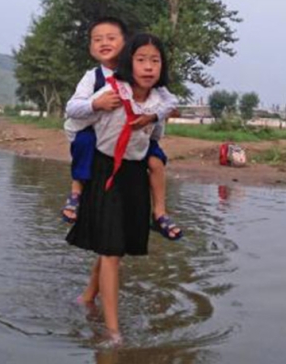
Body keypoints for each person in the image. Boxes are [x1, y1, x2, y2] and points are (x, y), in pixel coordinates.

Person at [64, 33, 179, 344]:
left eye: (155, 61)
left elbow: (167, 116)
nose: (148, 66)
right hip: (105, 171)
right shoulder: (113, 89)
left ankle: (88, 296)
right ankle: (113, 332)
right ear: (129, 62)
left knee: (113, 246)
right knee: (112, 250)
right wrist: (95, 104)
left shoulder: (159, 100)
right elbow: (74, 112)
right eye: (141, 59)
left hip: (134, 173)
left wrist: (153, 116)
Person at [61, 17, 181, 240]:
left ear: (126, 44)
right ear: (90, 47)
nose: (104, 43)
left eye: (111, 38)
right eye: (97, 39)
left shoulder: (143, 74)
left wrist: (152, 116)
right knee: (85, 144)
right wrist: (96, 104)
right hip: (99, 136)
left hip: (138, 138)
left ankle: (160, 212)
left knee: (155, 162)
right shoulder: (94, 78)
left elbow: (171, 102)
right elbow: (72, 108)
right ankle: (76, 194)